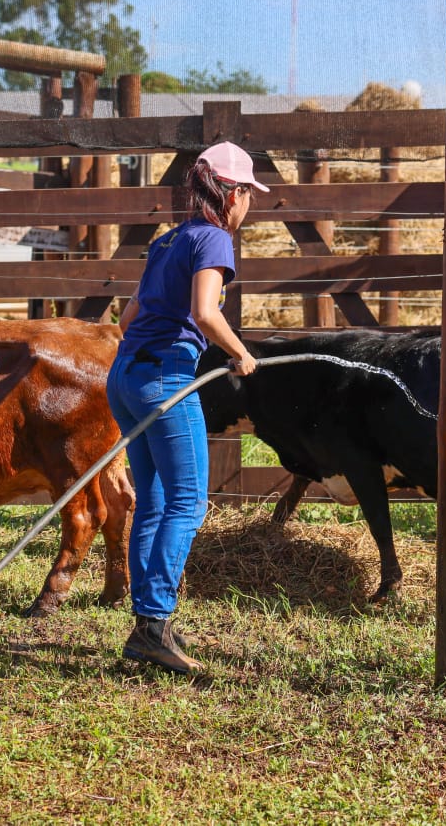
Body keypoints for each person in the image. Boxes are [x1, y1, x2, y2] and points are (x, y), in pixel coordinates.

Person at [107, 141, 266, 674]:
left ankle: (145, 625)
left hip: (126, 374)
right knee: (189, 502)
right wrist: (240, 353)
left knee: (152, 498)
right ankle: (154, 624)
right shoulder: (215, 240)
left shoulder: (167, 239)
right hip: (164, 379)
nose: (250, 205)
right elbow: (203, 312)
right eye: (249, 193)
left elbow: (130, 316)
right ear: (234, 192)